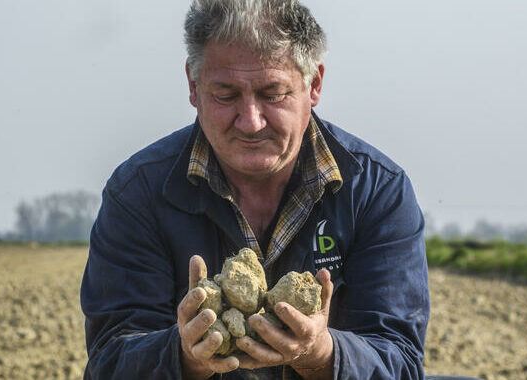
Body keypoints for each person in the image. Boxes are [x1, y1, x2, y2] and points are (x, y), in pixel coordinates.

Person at [80, 0, 429, 379]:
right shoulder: (138, 193)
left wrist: (322, 354)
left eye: (272, 93)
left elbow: (402, 361)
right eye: (226, 95)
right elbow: (109, 361)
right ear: (193, 87)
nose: (250, 122)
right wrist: (183, 357)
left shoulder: (377, 191)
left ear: (314, 84)